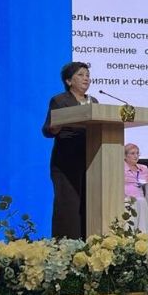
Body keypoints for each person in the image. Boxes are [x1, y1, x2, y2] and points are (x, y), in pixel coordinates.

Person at [41, 61, 97, 239]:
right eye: (80, 75)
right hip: (66, 160)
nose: (86, 79)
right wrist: (56, 126)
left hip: (91, 158)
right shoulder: (60, 100)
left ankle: (90, 243)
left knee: (89, 204)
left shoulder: (94, 102)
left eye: (87, 75)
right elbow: (47, 130)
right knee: (69, 205)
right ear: (68, 81)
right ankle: (66, 245)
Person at [124, 143, 148, 232]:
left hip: (139, 197)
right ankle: (130, 233)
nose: (136, 156)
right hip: (126, 197)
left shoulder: (143, 168)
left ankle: (142, 234)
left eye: (137, 153)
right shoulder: (120, 168)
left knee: (141, 201)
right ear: (125, 156)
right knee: (136, 201)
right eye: (132, 153)